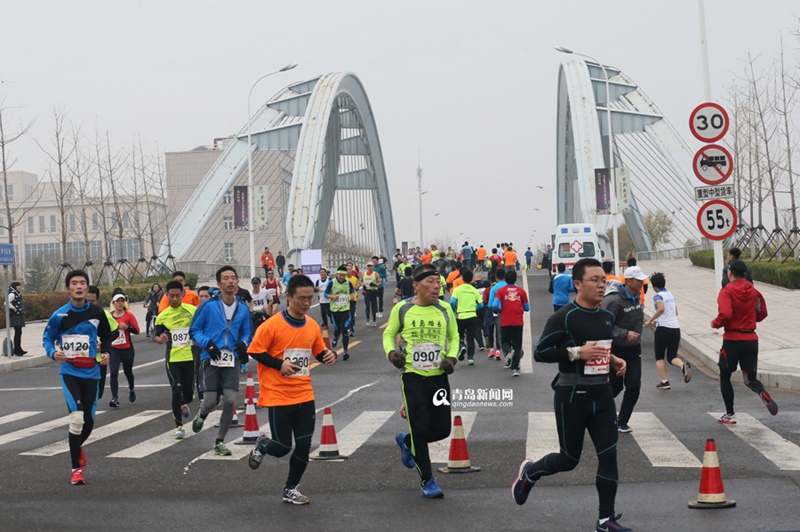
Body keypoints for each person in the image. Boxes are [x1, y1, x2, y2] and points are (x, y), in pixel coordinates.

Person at [512, 258, 630, 532]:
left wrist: (612, 359)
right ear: (577, 284)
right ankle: (530, 473)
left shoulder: (606, 316)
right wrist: (576, 353)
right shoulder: (564, 316)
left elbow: (597, 346)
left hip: (602, 395)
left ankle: (605, 519)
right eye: (595, 280)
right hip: (572, 395)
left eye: (604, 280)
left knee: (609, 455)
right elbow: (540, 352)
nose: (601, 285)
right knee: (569, 459)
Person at [246, 275, 337, 504]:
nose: (306, 303)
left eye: (309, 298)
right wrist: (280, 364)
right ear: (288, 297)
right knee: (282, 447)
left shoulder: (312, 325)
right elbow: (255, 351)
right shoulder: (272, 325)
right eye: (301, 299)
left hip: (304, 394)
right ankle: (263, 445)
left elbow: (317, 352)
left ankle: (291, 489)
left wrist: (328, 356)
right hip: (278, 395)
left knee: (304, 445)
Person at [383, 263, 459, 499]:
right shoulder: (403, 309)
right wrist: (391, 353)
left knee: (442, 429)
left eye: (439, 283)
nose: (436, 287)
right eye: (431, 282)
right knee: (419, 429)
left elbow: (454, 336)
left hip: (438, 377)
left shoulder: (445, 308)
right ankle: (427, 480)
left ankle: (406, 441)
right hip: (413, 377)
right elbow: (388, 333)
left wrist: (452, 358)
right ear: (416, 285)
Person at [43, 270, 113, 485]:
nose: (79, 286)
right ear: (68, 288)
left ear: (87, 287)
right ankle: (76, 468)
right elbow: (48, 338)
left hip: (92, 372)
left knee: (89, 424)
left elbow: (108, 335)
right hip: (70, 372)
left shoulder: (96, 312)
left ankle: (76, 447)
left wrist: (105, 352)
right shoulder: (59, 315)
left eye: (83, 282)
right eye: (74, 283)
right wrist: (53, 353)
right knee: (76, 418)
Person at [189, 266, 252, 456]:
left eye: (233, 278)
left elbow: (248, 332)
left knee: (230, 401)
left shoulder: (242, 308)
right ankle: (202, 414)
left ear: (238, 282)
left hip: (231, 358)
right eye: (226, 278)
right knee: (209, 401)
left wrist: (243, 343)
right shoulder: (208, 306)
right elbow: (194, 330)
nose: (230, 281)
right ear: (219, 283)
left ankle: (219, 441)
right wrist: (207, 344)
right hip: (211, 358)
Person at [713, 259, 775, 424]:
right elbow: (762, 312)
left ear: (730, 273)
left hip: (732, 340)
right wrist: (749, 320)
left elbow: (725, 314)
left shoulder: (726, 291)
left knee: (725, 376)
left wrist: (715, 323)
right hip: (751, 339)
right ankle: (762, 393)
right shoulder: (754, 291)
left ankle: (730, 414)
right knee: (750, 378)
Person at [603, 265, 646, 434]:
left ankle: (622, 421)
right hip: (615, 350)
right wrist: (624, 334)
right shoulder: (613, 300)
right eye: (638, 280)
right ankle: (595, 409)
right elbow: (604, 325)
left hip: (634, 350)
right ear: (628, 281)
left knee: (634, 385)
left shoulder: (637, 298)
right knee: (615, 387)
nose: (642, 282)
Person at [153, 280, 197, 439]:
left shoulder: (193, 311)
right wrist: (161, 338)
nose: (175, 299)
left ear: (183, 294)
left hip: (191, 358)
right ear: (167, 296)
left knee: (189, 395)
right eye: (171, 296)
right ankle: (179, 426)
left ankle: (184, 403)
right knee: (176, 390)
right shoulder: (162, 316)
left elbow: (201, 328)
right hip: (173, 359)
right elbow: (156, 336)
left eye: (178, 295)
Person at [644, 272, 691, 390]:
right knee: (671, 357)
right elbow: (675, 313)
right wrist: (658, 321)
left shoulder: (658, 296)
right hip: (675, 329)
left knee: (659, 356)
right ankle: (682, 366)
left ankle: (665, 381)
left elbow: (661, 309)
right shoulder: (671, 295)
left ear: (654, 287)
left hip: (663, 330)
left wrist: (650, 320)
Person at [492, 270, 530, 375]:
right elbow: (527, 307)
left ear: (505, 279)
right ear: (515, 279)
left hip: (505, 321)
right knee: (517, 345)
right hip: (518, 321)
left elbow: (494, 305)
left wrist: (501, 310)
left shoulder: (501, 291)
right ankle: (515, 369)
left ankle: (509, 350)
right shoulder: (521, 291)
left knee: (504, 341)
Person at [107, 293, 140, 407]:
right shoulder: (109, 316)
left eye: (122, 301)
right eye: (118, 301)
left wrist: (127, 327)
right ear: (113, 303)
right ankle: (114, 398)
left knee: (128, 372)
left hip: (127, 349)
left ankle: (131, 388)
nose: (120, 303)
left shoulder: (128, 315)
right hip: (114, 349)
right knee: (114, 372)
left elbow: (137, 330)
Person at [450, 269, 484, 366]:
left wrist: (454, 309)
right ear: (472, 279)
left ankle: (461, 346)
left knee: (460, 336)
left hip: (461, 315)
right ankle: (470, 358)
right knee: (470, 338)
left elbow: (452, 302)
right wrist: (474, 307)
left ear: (462, 279)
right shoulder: (474, 290)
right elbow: (481, 305)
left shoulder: (457, 290)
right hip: (472, 316)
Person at [325, 266, 355, 361]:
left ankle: (345, 351)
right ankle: (336, 337)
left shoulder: (348, 283)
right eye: (340, 275)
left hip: (345, 309)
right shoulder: (331, 282)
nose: (342, 276)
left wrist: (352, 295)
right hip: (334, 310)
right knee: (337, 329)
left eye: (344, 275)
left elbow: (352, 291)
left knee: (344, 329)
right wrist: (333, 296)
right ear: (337, 274)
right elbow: (325, 294)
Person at [7, 281, 26, 355]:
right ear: (15, 287)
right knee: (17, 332)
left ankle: (18, 348)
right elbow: (6, 302)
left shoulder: (18, 294)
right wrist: (13, 307)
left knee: (19, 332)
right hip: (15, 316)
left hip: (19, 315)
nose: (20, 287)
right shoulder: (12, 294)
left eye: (20, 286)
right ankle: (17, 350)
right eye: (18, 286)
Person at [361, 262, 382, 327]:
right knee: (367, 306)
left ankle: (374, 321)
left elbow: (379, 282)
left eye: (371, 266)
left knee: (373, 306)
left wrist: (375, 285)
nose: (369, 267)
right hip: (366, 292)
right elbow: (361, 281)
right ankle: (368, 319)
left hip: (373, 291)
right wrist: (363, 285)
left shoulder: (375, 274)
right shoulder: (363, 274)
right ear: (367, 267)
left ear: (373, 267)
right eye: (368, 266)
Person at [346, 265, 360, 336]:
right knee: (346, 315)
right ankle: (347, 328)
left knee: (351, 314)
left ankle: (351, 329)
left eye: (350, 269)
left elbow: (358, 287)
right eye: (347, 270)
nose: (349, 271)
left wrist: (355, 287)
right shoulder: (343, 279)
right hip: (345, 300)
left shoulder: (354, 279)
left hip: (352, 299)